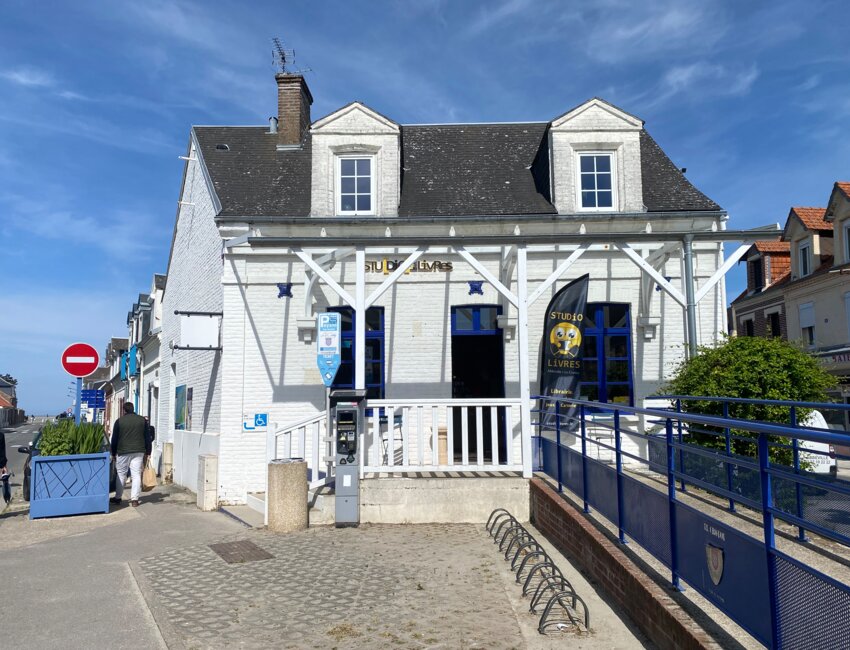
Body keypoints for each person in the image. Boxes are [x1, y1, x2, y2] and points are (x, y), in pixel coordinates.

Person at [110, 402, 152, 507]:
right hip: (138, 451)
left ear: (124, 410)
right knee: (136, 474)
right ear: (133, 409)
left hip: (123, 451)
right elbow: (147, 437)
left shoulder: (119, 421)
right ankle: (135, 499)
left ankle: (118, 497)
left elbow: (114, 439)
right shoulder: (142, 420)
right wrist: (148, 451)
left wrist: (113, 452)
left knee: (121, 474)